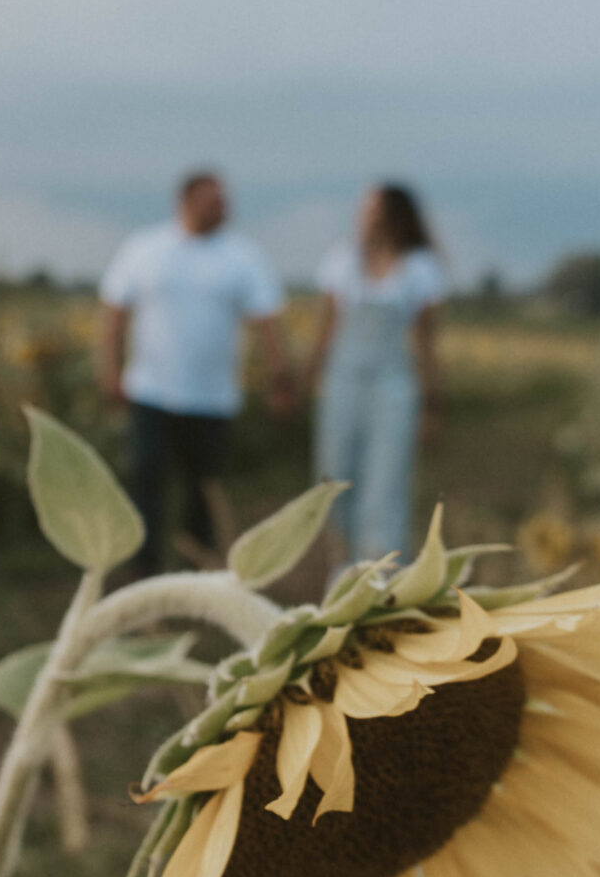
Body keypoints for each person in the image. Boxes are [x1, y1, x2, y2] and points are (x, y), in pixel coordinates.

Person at [97, 169, 293, 575]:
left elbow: (266, 324)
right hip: (150, 391)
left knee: (203, 491)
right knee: (146, 486)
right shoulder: (145, 248)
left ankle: (196, 571)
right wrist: (109, 369)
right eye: (213, 201)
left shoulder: (242, 255)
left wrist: (279, 379)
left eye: (224, 202)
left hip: (213, 396)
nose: (223, 209)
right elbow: (115, 314)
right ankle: (144, 573)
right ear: (185, 201)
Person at [307, 182, 446, 563]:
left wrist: (433, 405)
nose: (364, 217)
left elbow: (426, 344)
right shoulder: (341, 260)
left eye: (372, 209)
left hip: (393, 386)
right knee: (334, 477)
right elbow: (327, 329)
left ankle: (382, 572)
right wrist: (306, 380)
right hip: (343, 383)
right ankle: (341, 568)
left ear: (392, 216)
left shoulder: (419, 267)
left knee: (386, 480)